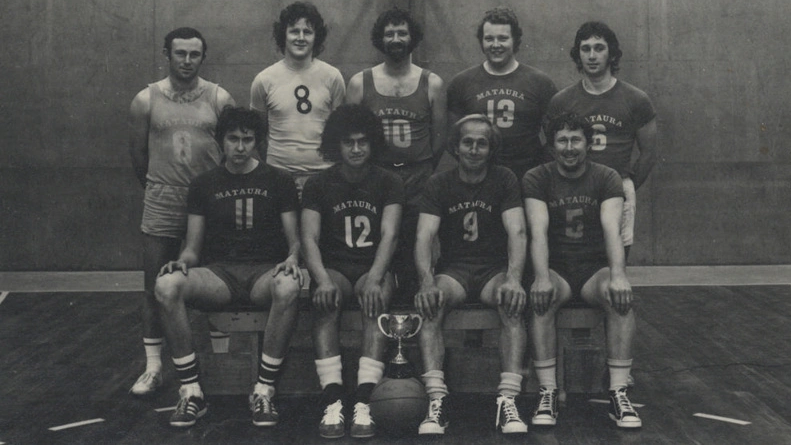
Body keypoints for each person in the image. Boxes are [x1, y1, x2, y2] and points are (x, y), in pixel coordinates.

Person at [154, 106, 303, 428]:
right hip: (219, 275)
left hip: (264, 273)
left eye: (247, 140)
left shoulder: (279, 180)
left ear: (258, 142)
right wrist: (182, 262)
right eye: (232, 139)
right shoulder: (204, 183)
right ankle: (191, 391)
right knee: (166, 286)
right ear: (221, 141)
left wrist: (292, 259)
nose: (239, 147)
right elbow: (193, 248)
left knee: (290, 286)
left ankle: (263, 391)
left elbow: (294, 241)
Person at [127, 27, 235, 396]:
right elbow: (139, 158)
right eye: (180, 54)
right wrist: (162, 187)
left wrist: (210, 196)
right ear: (166, 55)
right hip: (163, 200)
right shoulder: (146, 99)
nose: (187, 61)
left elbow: (231, 152)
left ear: (203, 57)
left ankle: (222, 361)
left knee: (219, 282)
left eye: (194, 54)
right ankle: (153, 367)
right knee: (152, 287)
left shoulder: (220, 98)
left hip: (211, 205)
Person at [523, 112, 640, 429]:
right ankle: (548, 391)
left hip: (592, 269)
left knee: (620, 300)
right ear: (552, 145)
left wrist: (618, 276)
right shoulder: (537, 177)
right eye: (562, 140)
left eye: (576, 140)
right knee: (541, 300)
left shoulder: (606, 176)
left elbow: (611, 230)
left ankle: (617, 391)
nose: (569, 147)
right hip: (558, 268)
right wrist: (543, 277)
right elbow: (538, 232)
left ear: (588, 144)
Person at [413, 115, 528, 436]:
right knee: (431, 302)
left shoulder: (504, 179)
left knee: (511, 302)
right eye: (468, 142)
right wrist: (426, 281)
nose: (475, 149)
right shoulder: (439, 182)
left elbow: (517, 231)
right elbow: (423, 236)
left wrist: (514, 278)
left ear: (491, 149)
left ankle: (508, 400)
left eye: (482, 143)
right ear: (455, 146)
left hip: (494, 270)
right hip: (456, 272)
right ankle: (436, 401)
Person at [301, 104, 404, 439]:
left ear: (373, 143)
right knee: (324, 303)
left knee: (375, 301)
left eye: (363, 142)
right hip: (335, 266)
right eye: (349, 143)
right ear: (337, 145)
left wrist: (376, 277)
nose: (357, 149)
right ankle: (333, 400)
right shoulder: (318, 183)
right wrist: (322, 280)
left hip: (371, 265)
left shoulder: (389, 181)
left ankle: (363, 400)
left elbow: (390, 234)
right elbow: (309, 237)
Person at [346, 7, 447, 303]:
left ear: (412, 37)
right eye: (389, 33)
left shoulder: (433, 83)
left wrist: (419, 166)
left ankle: (416, 329)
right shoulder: (360, 82)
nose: (396, 38)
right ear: (380, 38)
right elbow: (352, 135)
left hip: (418, 176)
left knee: (420, 251)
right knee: (380, 252)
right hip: (376, 176)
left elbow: (439, 138)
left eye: (402, 32)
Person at [545, 21, 657, 254]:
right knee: (571, 259)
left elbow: (649, 153)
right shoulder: (562, 100)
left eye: (599, 48)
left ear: (612, 53)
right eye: (585, 49)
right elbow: (551, 148)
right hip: (572, 190)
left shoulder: (635, 99)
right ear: (578, 55)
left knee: (614, 264)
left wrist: (626, 186)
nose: (592, 55)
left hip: (615, 190)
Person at [446, 7, 557, 180]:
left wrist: (536, 169)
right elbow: (451, 138)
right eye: (489, 38)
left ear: (515, 41)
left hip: (526, 175)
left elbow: (555, 137)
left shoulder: (540, 83)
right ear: (481, 42)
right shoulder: (461, 82)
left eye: (503, 38)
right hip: (479, 177)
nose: (496, 45)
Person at [250, 1, 346, 198]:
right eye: (294, 31)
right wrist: (280, 164)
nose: (301, 38)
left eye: (307, 32)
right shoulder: (264, 80)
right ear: (283, 35)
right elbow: (258, 134)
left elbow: (339, 132)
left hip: (323, 176)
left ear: (316, 37)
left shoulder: (333, 77)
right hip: (279, 177)